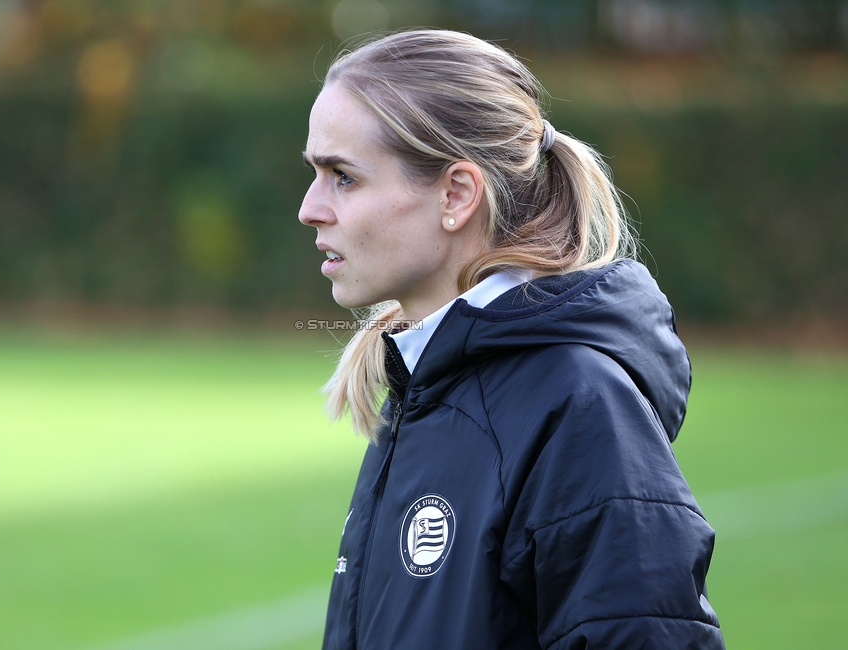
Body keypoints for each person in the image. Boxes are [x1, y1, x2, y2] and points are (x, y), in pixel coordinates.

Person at [298, 29, 725, 649]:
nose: (311, 207)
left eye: (343, 177)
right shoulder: (424, 386)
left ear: (456, 195)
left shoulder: (578, 403)